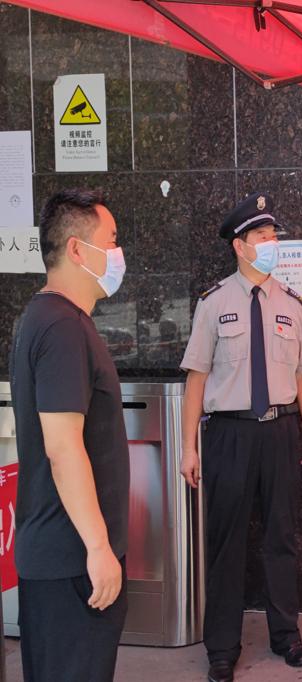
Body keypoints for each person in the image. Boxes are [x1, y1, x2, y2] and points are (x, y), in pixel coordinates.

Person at [180, 192, 302, 682]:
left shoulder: (292, 304)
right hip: (229, 434)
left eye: (273, 235)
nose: (271, 243)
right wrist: (188, 447)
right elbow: (196, 379)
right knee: (226, 542)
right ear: (239, 246)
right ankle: (221, 648)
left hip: (281, 432)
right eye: (262, 236)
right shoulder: (213, 303)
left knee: (281, 536)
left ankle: (286, 635)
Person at [10, 189, 130, 681]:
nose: (119, 253)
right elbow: (62, 448)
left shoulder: (49, 318)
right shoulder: (60, 327)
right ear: (78, 250)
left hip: (64, 557)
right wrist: (99, 548)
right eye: (112, 240)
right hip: (71, 562)